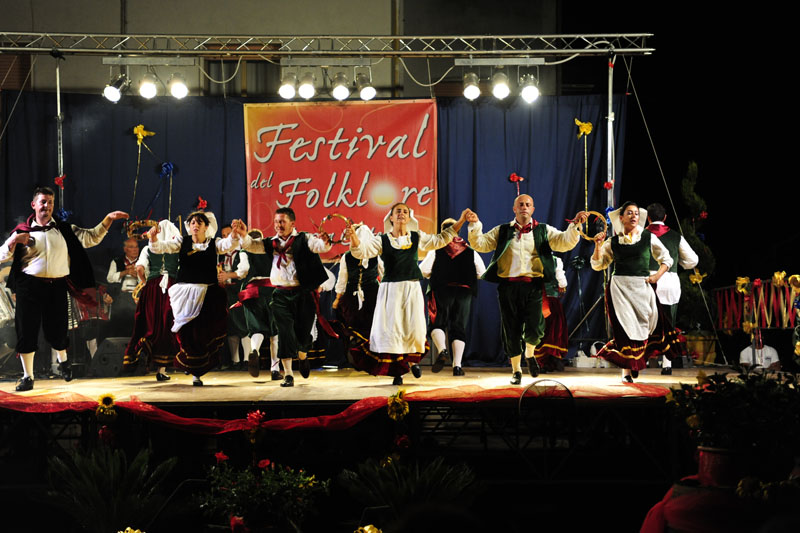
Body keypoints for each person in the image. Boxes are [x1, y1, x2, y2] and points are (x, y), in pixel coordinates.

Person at [0, 186, 128, 391]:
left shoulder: (65, 229)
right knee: (27, 331)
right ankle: (28, 377)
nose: (47, 206)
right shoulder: (22, 231)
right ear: (34, 205)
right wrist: (14, 240)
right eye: (43, 202)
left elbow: (91, 237)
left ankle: (63, 362)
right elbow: (2, 256)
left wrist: (108, 220)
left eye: (50, 202)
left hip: (57, 285)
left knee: (58, 329)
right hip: (29, 286)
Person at [467, 194, 588, 385]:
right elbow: (480, 244)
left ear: (533, 209)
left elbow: (565, 242)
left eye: (528, 204)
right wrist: (474, 225)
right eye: (521, 204)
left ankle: (530, 354)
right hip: (508, 286)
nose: (524, 207)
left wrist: (574, 225)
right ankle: (516, 370)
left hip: (533, 286)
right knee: (511, 329)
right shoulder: (503, 230)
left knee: (536, 327)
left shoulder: (543, 230)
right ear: (514, 209)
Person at [347, 203, 469, 385]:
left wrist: (460, 221)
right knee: (394, 329)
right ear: (391, 217)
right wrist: (354, 238)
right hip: (391, 290)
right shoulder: (382, 240)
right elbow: (361, 251)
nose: (402, 214)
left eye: (405, 211)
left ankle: (411, 362)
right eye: (398, 211)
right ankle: (399, 373)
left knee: (411, 328)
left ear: (409, 216)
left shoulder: (416, 236)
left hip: (411, 289)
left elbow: (440, 240)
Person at [237, 207, 331, 388]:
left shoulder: (304, 239)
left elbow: (318, 246)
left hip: (302, 293)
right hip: (280, 294)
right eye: (276, 222)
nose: (278, 225)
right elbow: (252, 246)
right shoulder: (271, 243)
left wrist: (325, 243)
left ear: (292, 223)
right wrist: (243, 235)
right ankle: (288, 373)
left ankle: (303, 355)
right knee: (284, 333)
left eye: (282, 222)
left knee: (303, 335)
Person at [146, 211, 241, 386]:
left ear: (206, 226)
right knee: (188, 334)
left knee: (203, 334)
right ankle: (194, 371)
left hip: (207, 294)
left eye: (199, 222)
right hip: (185, 296)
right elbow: (162, 247)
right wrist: (153, 239)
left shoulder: (215, 243)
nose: (195, 225)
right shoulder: (182, 242)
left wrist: (235, 234)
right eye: (192, 223)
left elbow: (229, 244)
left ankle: (199, 370)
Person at [590, 201, 678, 382]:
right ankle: (627, 373)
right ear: (621, 218)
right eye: (629, 213)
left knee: (644, 329)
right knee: (625, 330)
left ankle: (636, 362)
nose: (633, 216)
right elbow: (598, 265)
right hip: (619, 290)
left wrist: (656, 277)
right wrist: (598, 246)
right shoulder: (613, 242)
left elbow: (666, 259)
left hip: (642, 289)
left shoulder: (648, 237)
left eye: (636, 213)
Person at [419, 218, 486, 376]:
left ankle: (442, 350)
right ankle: (457, 366)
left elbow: (423, 270)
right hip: (464, 292)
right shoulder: (470, 250)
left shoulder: (436, 249)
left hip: (441, 290)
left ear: (443, 231)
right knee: (458, 327)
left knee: (437, 323)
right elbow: (482, 272)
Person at [123, 219, 181, 381]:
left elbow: (139, 268)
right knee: (169, 325)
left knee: (148, 323)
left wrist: (145, 282)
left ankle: (142, 348)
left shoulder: (149, 248)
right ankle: (167, 367)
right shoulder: (176, 249)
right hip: (172, 289)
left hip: (152, 288)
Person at [645, 202, 699, 375]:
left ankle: (641, 359)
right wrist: (678, 262)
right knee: (669, 323)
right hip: (669, 281)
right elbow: (693, 260)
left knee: (644, 322)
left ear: (648, 217)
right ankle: (666, 364)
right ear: (665, 218)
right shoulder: (676, 236)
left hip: (647, 281)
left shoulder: (641, 235)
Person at [236, 229, 281, 380]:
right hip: (272, 289)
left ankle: (254, 350)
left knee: (257, 328)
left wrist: (234, 275)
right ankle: (275, 369)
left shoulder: (244, 251)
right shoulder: (271, 248)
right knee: (275, 333)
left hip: (252, 291)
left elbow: (243, 270)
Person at [332, 247, 383, 373]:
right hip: (355, 297)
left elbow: (384, 275)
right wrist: (338, 298)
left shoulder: (375, 255)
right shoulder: (348, 256)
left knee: (371, 329)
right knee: (355, 329)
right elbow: (342, 279)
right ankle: (358, 360)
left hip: (372, 297)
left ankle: (370, 361)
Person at [217, 224, 251, 370]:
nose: (225, 238)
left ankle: (247, 360)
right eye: (223, 235)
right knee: (231, 327)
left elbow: (244, 271)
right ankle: (235, 360)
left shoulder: (242, 251)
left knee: (242, 325)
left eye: (228, 234)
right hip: (226, 292)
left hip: (240, 291)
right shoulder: (221, 254)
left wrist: (227, 275)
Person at [535, 254, 569, 372]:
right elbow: (562, 283)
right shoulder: (555, 261)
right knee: (555, 329)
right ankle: (551, 359)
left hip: (535, 300)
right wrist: (561, 286)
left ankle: (541, 362)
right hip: (550, 300)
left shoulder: (529, 258)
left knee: (539, 330)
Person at [106, 237, 141, 337]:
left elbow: (148, 280)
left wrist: (138, 275)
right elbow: (110, 278)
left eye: (136, 247)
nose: (135, 249)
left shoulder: (143, 262)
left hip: (137, 298)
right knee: (119, 327)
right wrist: (125, 272)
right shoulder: (117, 262)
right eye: (131, 247)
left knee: (136, 327)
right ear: (125, 249)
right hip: (121, 297)